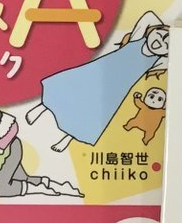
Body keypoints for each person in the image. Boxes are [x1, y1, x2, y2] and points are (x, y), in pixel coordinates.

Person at [25, 11, 169, 151]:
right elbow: (149, 16)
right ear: (152, 30)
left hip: (115, 89)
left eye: (166, 44)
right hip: (98, 72)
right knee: (68, 85)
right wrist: (166, 30)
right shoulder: (137, 38)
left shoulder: (157, 62)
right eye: (160, 34)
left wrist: (172, 40)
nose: (160, 41)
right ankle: (41, 108)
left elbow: (173, 57)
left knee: (92, 113)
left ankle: (66, 139)